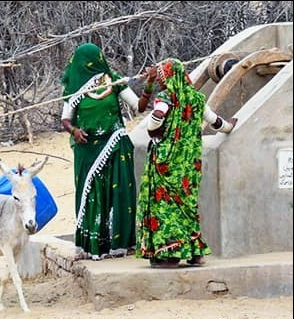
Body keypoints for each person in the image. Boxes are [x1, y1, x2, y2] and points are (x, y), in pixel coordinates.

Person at [136, 58, 236, 268]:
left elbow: (157, 115)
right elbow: (217, 122)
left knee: (165, 206)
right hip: (189, 163)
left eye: (162, 77)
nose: (162, 82)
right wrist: (230, 125)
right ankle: (194, 252)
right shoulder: (197, 99)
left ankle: (170, 254)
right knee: (187, 203)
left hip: (166, 162)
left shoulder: (166, 97)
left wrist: (153, 132)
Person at [60, 43, 142, 261]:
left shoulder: (113, 80)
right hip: (88, 149)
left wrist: (150, 84)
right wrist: (74, 131)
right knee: (92, 193)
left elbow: (138, 106)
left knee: (120, 192)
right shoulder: (74, 88)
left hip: (115, 143)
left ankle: (122, 243)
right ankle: (93, 245)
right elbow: (65, 120)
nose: (96, 63)